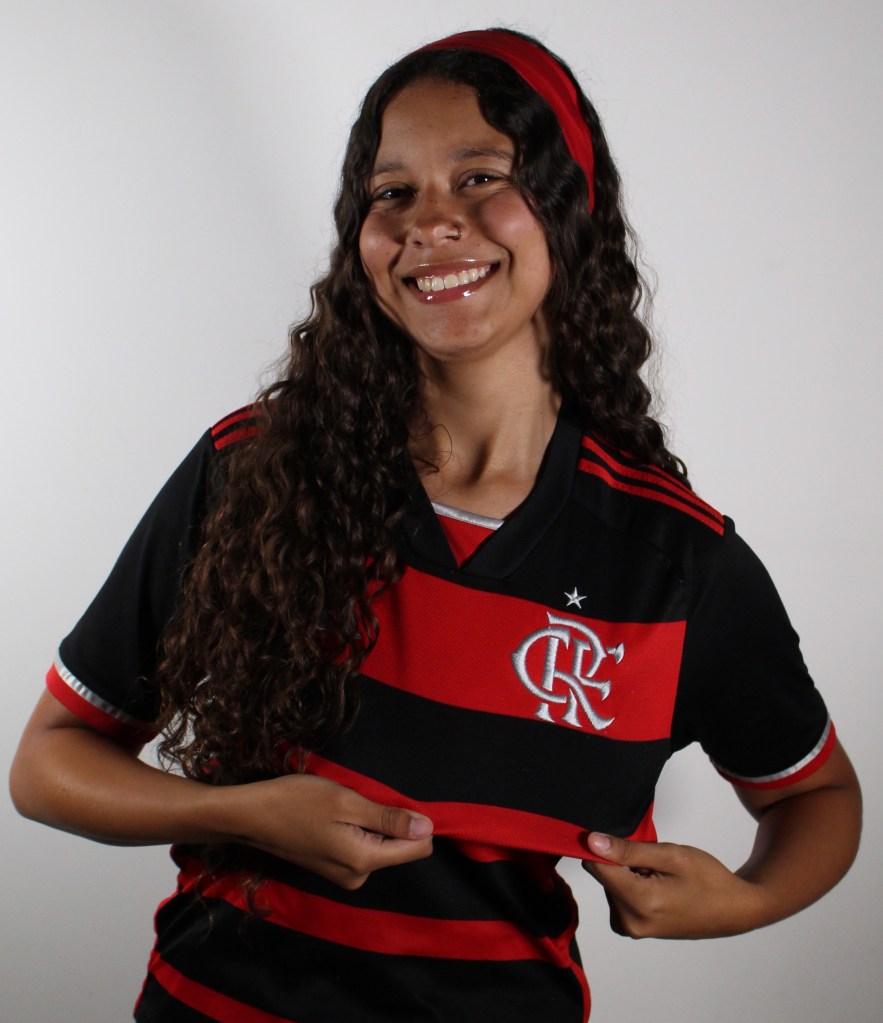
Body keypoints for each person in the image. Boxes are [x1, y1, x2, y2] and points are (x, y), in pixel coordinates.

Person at [10, 27, 861, 1023]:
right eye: (392, 192)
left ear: (568, 206)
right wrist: (240, 812)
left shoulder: (674, 563)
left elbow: (813, 794)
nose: (432, 222)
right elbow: (49, 763)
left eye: (480, 177)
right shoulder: (253, 470)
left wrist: (746, 901)